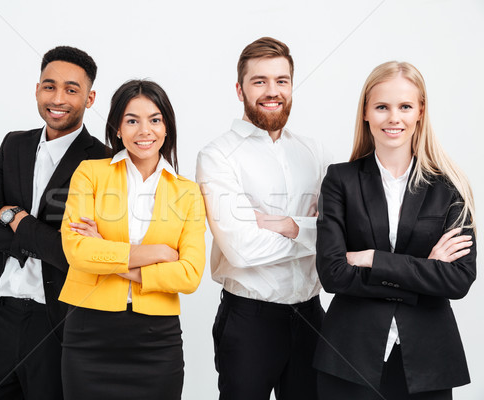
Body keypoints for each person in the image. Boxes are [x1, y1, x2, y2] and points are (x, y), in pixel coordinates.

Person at [314, 61, 476, 399]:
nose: (394, 118)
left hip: (427, 359)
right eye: (382, 107)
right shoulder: (339, 180)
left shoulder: (450, 187)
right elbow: (333, 274)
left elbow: (458, 280)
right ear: (366, 113)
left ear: (420, 111)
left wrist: (374, 259)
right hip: (349, 355)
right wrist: (425, 268)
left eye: (404, 106)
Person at [0, 46, 109, 400]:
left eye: (71, 90)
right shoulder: (15, 144)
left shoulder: (103, 162)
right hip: (2, 312)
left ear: (89, 98)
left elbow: (79, 254)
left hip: (57, 322)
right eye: (49, 86)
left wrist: (15, 218)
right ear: (37, 89)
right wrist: (31, 234)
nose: (58, 98)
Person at [196, 37, 330, 400]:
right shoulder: (217, 155)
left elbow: (338, 235)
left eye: (282, 81)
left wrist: (285, 225)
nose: (273, 92)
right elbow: (240, 249)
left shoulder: (313, 151)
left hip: (311, 316)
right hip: (250, 320)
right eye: (260, 82)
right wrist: (311, 233)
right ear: (239, 89)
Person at [59, 79, 206, 400]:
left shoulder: (187, 192)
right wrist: (158, 252)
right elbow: (77, 251)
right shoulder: (89, 173)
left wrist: (110, 257)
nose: (145, 130)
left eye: (155, 119)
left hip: (156, 341)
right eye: (132, 120)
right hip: (89, 334)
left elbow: (190, 275)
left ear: (167, 127)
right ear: (117, 129)